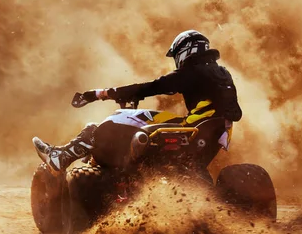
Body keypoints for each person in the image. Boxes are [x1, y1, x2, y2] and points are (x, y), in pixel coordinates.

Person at [32, 29, 243, 174]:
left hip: (188, 131)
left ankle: (61, 157)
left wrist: (99, 94)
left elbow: (152, 86)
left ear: (187, 50)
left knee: (113, 121)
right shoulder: (222, 74)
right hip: (210, 142)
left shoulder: (193, 71)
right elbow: (235, 113)